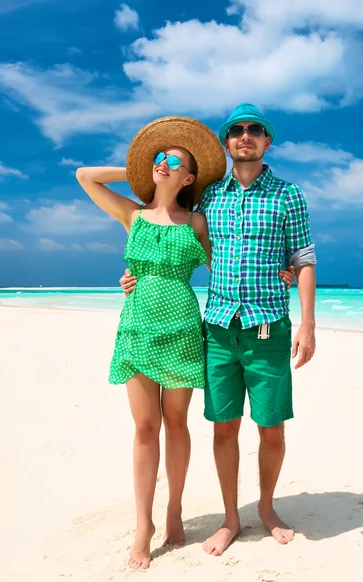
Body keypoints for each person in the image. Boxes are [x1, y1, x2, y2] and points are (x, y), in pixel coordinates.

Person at [76, 117, 294, 570]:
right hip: (137, 327)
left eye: (173, 160)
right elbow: (85, 177)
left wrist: (282, 273)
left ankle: (174, 510)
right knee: (142, 428)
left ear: (190, 177)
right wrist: (140, 168)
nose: (162, 163)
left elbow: (234, 260)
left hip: (181, 329)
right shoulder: (131, 215)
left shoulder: (198, 220)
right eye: (159, 158)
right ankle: (143, 526)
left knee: (176, 425)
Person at [120, 103, 316, 557]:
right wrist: (135, 277)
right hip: (216, 329)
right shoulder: (208, 197)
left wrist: (307, 323)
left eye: (255, 130)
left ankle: (266, 509)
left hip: (268, 328)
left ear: (267, 141)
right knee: (223, 430)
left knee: (271, 429)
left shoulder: (289, 195)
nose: (245, 136)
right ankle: (231, 518)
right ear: (227, 143)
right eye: (236, 131)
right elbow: (170, 237)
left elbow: (303, 260)